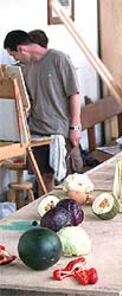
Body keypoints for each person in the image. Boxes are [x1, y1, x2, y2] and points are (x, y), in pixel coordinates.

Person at [3, 30, 81, 194]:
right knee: (43, 180)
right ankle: (47, 212)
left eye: (14, 55)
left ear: (21, 48)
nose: (15, 60)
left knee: (68, 181)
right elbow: (29, 99)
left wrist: (75, 127)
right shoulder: (26, 68)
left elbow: (74, 94)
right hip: (37, 131)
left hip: (60, 130)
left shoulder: (59, 59)